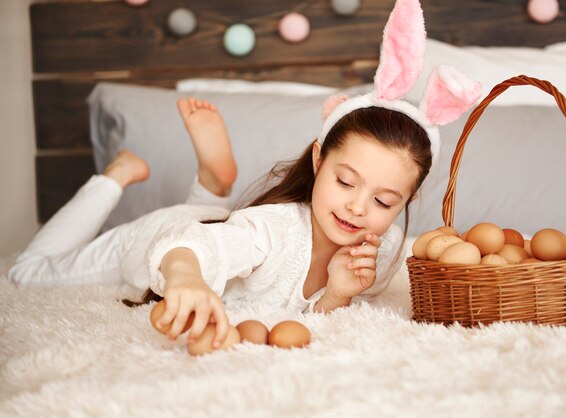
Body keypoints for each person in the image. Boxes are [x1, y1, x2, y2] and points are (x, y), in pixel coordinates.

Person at [10, 0, 481, 350]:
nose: (359, 207)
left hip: (219, 218)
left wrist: (337, 293)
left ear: (404, 202)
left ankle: (212, 186)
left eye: (384, 201)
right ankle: (116, 175)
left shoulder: (379, 253)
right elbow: (187, 249)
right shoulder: (273, 231)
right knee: (28, 273)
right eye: (345, 181)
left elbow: (307, 313)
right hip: (159, 236)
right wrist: (187, 279)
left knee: (215, 218)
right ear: (318, 161)